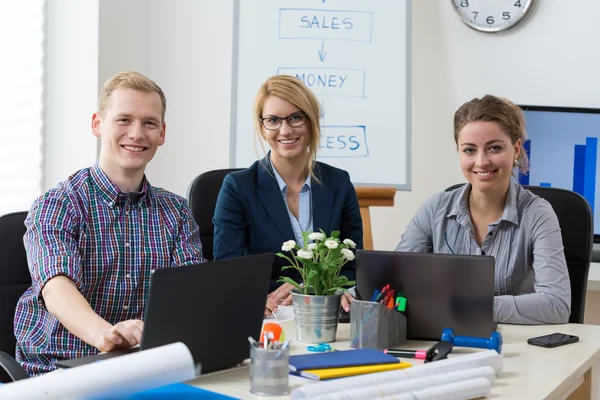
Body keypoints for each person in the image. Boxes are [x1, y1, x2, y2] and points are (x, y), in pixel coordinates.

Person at [14, 71, 206, 376]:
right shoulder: (58, 204)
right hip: (63, 365)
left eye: (149, 123)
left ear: (162, 133)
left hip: (144, 363)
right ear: (97, 124)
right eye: (124, 120)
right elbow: (56, 288)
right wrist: (105, 336)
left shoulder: (176, 211)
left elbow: (190, 292)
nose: (137, 133)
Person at [395, 95, 571, 324]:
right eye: (469, 150)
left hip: (517, 349)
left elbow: (556, 305)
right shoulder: (434, 209)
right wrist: (352, 293)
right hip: (444, 343)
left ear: (516, 149)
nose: (482, 161)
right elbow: (394, 282)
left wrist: (470, 306)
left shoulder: (538, 214)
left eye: (495, 148)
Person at [213, 75, 363, 315]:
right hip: (267, 314)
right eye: (273, 120)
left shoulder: (338, 183)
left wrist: (305, 287)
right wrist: (252, 298)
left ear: (311, 121)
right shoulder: (237, 187)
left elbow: (353, 263)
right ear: (262, 128)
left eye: (295, 117)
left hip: (325, 312)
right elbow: (226, 267)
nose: (285, 130)